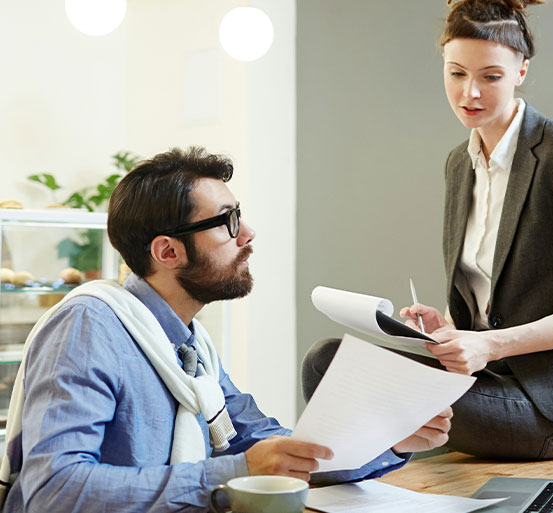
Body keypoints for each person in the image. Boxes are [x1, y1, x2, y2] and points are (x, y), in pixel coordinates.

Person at [0, 147, 452, 512]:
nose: (249, 233)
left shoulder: (190, 347)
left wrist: (386, 440)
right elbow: (52, 491)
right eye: (229, 221)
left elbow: (267, 448)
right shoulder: (89, 327)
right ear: (168, 251)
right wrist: (233, 473)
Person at [302, 0, 553, 460]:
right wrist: (450, 329)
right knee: (328, 359)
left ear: (521, 70)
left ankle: (366, 473)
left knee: (351, 383)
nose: (470, 93)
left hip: (541, 408)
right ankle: (355, 485)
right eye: (457, 73)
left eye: (490, 76)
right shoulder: (460, 163)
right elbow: (488, 297)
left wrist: (487, 344)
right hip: (481, 382)